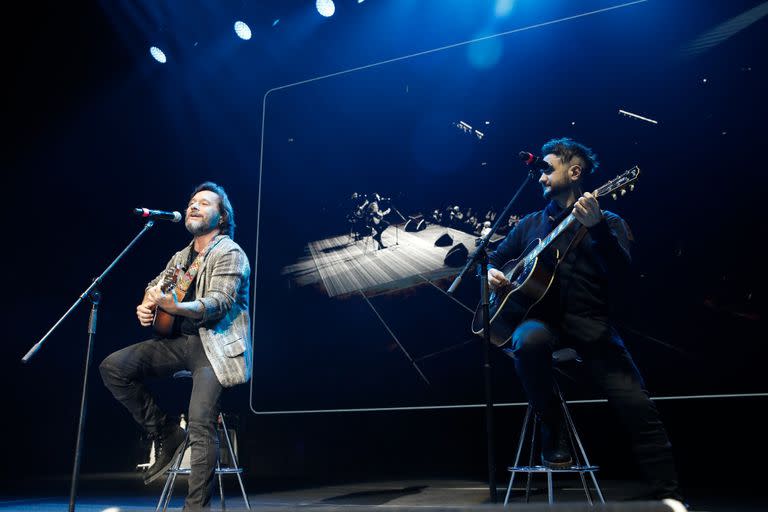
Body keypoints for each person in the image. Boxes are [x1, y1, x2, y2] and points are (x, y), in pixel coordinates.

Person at [488, 138, 682, 502]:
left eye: (548, 169)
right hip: (542, 323)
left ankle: (668, 494)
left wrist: (597, 230)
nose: (541, 177)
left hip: (591, 324)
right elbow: (493, 258)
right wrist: (489, 273)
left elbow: (625, 274)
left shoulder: (607, 221)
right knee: (526, 340)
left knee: (637, 406)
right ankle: (551, 424)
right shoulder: (530, 224)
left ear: (574, 171)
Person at [99, 182, 252, 510]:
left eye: (204, 203)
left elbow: (219, 303)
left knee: (200, 421)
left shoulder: (230, 252)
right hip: (180, 343)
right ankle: (167, 433)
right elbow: (156, 286)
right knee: (113, 367)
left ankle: (195, 508)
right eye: (192, 202)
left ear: (222, 217)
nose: (194, 206)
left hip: (216, 349)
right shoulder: (183, 257)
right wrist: (146, 305)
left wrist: (176, 307)